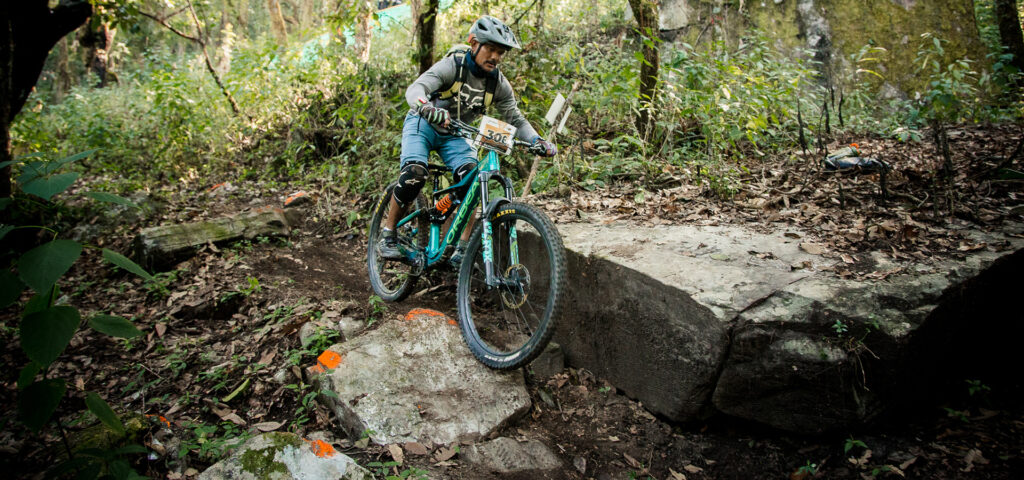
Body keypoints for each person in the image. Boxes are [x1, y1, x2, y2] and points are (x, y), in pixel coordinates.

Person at [378, 15, 557, 266]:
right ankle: (388, 234)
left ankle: (461, 249)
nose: (495, 57)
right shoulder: (452, 66)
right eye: (491, 49)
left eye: (500, 52)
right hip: (424, 125)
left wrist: (538, 140)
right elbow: (415, 90)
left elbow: (516, 119)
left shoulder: (498, 84)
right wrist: (427, 107)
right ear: (474, 43)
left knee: (473, 179)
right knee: (415, 174)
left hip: (456, 135)